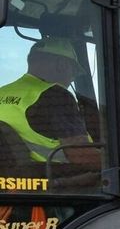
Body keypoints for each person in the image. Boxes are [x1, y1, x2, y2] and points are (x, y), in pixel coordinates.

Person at [0, 38, 98, 169]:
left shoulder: (3, 91)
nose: (71, 80)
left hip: (13, 182)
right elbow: (82, 156)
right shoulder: (55, 96)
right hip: (56, 183)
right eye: (73, 73)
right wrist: (119, 163)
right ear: (62, 65)